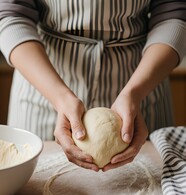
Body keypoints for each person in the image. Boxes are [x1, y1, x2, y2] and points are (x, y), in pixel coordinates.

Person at [0, 0, 185, 172]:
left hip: (142, 86)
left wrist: (135, 92)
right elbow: (10, 14)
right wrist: (59, 97)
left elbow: (174, 13)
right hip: (42, 88)